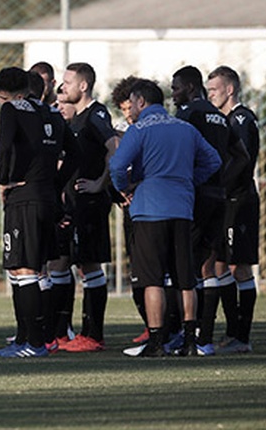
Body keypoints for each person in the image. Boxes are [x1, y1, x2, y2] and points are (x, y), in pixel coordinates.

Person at [110, 78, 220, 358]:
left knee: (152, 279)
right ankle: (190, 341)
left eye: (132, 103)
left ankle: (157, 341)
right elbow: (213, 160)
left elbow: (118, 165)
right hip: (182, 208)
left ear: (141, 102)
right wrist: (189, 180)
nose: (130, 109)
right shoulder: (185, 128)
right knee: (185, 278)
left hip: (149, 209)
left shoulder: (139, 130)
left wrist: (126, 188)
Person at [0, 67, 78, 358]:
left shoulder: (12, 109)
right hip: (46, 199)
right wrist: (55, 183)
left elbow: (4, 146)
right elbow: (75, 154)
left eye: (2, 97)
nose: (1, 103)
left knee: (25, 270)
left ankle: (35, 343)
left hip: (24, 198)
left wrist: (4, 180)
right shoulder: (53, 113)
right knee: (30, 269)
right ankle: (28, 338)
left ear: (14, 95)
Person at [171, 65, 248, 355]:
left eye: (176, 87)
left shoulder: (189, 113)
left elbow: (178, 149)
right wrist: (221, 181)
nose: (173, 93)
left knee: (186, 265)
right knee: (208, 265)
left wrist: (194, 179)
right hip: (217, 197)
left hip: (195, 196)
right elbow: (241, 156)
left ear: (190, 87)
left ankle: (189, 335)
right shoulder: (220, 117)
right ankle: (204, 340)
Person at [57, 63, 118, 353]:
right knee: (75, 263)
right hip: (74, 204)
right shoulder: (76, 119)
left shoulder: (96, 114)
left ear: (83, 86)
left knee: (90, 265)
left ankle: (93, 335)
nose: (63, 87)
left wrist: (99, 183)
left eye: (68, 82)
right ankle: (69, 331)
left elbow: (114, 148)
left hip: (90, 203)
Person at [206, 65, 260, 354]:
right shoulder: (222, 120)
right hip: (224, 201)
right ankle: (232, 332)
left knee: (239, 266)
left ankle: (242, 336)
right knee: (220, 264)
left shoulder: (241, 119)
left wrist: (222, 185)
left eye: (214, 89)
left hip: (239, 201)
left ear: (229, 89)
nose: (210, 94)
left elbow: (242, 160)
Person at [109, 75, 149, 343]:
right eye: (122, 109)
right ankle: (150, 322)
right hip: (131, 207)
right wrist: (120, 194)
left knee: (155, 267)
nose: (127, 113)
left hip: (152, 202)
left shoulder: (151, 128)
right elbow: (114, 166)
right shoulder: (120, 131)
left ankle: (168, 325)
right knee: (136, 265)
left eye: (129, 107)